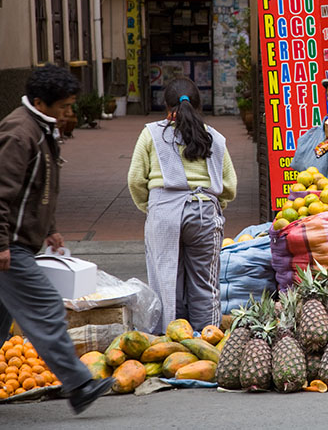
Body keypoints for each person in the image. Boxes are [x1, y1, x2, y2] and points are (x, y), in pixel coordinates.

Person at [0, 64, 114, 414]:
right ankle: (79, 384)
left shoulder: (40, 127)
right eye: (64, 106)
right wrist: (1, 243)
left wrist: (49, 227)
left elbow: (37, 189)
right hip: (11, 246)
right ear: (40, 102)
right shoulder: (20, 133)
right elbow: (2, 192)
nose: (70, 112)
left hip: (21, 240)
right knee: (49, 307)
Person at [128, 77, 237, 333]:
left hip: (164, 214)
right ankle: (207, 342)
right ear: (198, 106)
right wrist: (214, 204)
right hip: (203, 213)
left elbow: (135, 179)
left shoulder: (151, 134)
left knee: (166, 282)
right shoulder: (215, 138)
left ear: (166, 106)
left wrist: (151, 207)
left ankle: (170, 343)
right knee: (204, 285)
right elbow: (229, 184)